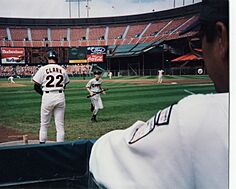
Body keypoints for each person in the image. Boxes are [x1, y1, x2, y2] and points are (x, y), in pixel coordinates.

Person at [89, 0, 229, 188]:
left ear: (222, 38)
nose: (201, 52)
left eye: (199, 40)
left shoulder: (196, 117)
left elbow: (102, 155)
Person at [32, 50, 70, 143]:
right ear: (56, 58)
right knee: (60, 125)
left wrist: (44, 94)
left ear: (48, 58)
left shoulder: (43, 69)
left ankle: (42, 145)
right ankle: (60, 147)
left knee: (44, 124)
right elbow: (65, 84)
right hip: (60, 95)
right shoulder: (62, 69)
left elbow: (36, 86)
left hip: (48, 96)